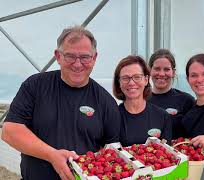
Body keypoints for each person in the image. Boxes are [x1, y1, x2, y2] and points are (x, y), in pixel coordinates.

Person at [1, 26, 121, 180]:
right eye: (70, 56)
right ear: (58, 56)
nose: (78, 64)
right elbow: (10, 131)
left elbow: (111, 153)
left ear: (94, 57)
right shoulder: (35, 85)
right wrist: (51, 155)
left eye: (85, 57)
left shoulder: (106, 102)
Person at [113, 55, 172, 147]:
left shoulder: (163, 117)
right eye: (125, 78)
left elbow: (167, 154)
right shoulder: (112, 117)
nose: (131, 83)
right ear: (119, 83)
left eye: (137, 77)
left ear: (146, 80)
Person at [148, 49, 195, 139]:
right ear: (150, 70)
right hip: (146, 152)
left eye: (166, 69)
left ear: (173, 72)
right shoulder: (140, 100)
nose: (161, 74)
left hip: (179, 151)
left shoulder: (187, 101)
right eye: (157, 69)